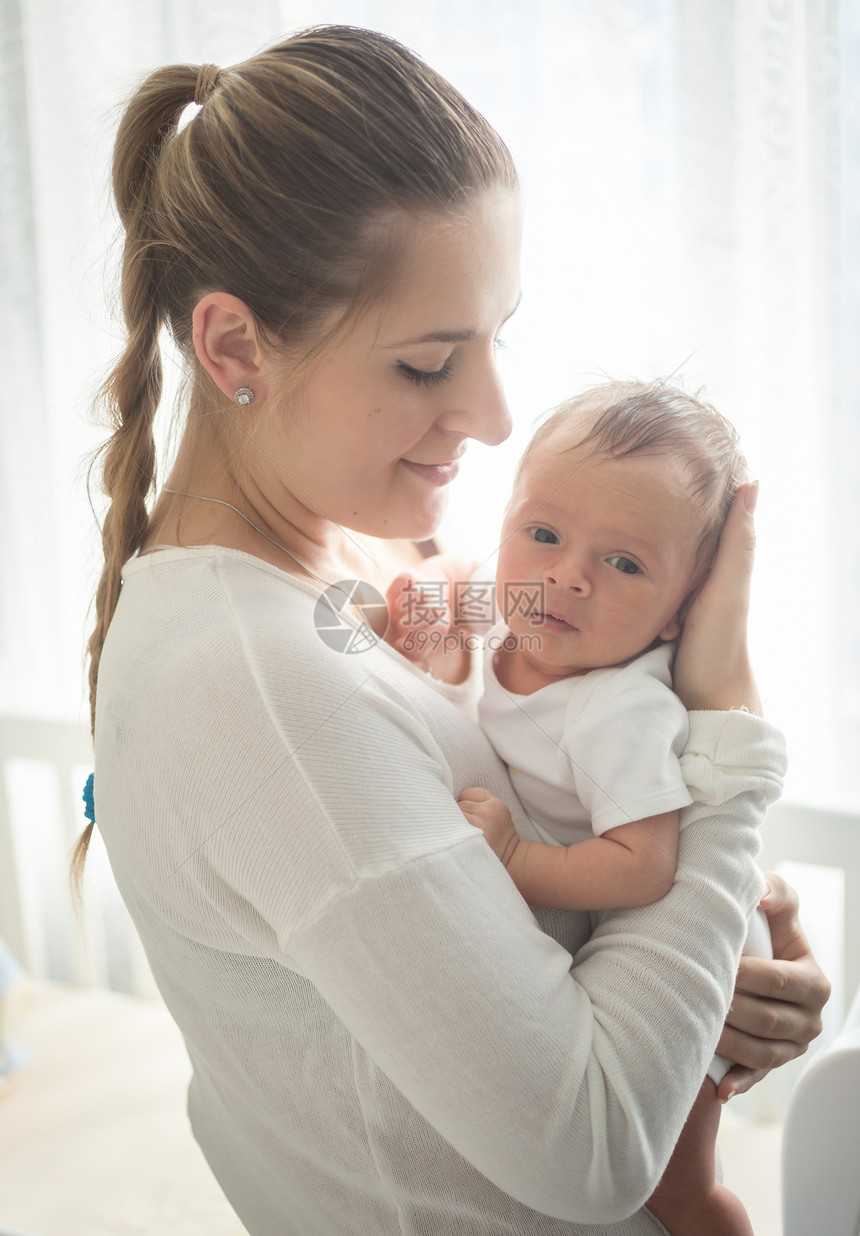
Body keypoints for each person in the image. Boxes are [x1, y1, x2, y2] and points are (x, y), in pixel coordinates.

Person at [75, 26, 829, 1236]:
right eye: (429, 362)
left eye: (493, 336)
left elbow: (544, 841)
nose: (491, 414)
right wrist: (726, 742)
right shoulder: (255, 683)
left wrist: (732, 968)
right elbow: (592, 1152)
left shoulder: (389, 575)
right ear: (232, 347)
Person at [385, 379, 772, 1234]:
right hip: (610, 926)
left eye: (625, 562)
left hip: (699, 955)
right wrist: (434, 584)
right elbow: (459, 582)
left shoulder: (616, 709)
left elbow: (646, 864)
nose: (568, 576)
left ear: (682, 613)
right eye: (544, 532)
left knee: (674, 1191)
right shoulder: (519, 606)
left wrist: (519, 861)